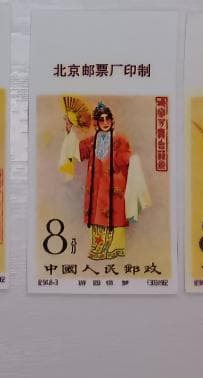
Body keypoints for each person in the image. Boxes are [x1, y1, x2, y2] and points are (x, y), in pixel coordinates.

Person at [59, 102, 149, 261]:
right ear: (96, 122)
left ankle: (113, 249)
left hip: (114, 187)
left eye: (108, 119)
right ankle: (98, 248)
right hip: (96, 186)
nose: (105, 122)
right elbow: (76, 152)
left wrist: (131, 159)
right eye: (101, 119)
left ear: (112, 121)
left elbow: (123, 158)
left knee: (114, 216)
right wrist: (69, 130)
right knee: (97, 216)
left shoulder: (120, 139)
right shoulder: (92, 141)